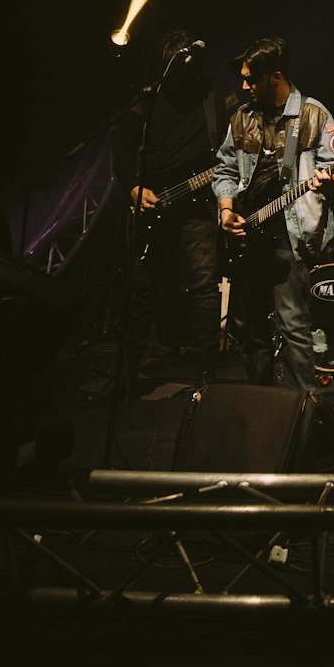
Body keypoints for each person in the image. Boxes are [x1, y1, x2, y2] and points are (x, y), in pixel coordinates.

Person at [213, 36, 334, 390]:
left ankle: (304, 408)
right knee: (247, 327)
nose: (244, 86)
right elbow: (225, 170)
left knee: (293, 326)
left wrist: (329, 184)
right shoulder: (242, 118)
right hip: (247, 233)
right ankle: (261, 403)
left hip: (290, 236)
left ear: (274, 77)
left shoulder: (314, 114)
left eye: (250, 79)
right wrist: (227, 210)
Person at [113, 29, 235, 394]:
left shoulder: (216, 93)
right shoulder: (147, 99)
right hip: (153, 202)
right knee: (139, 288)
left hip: (199, 201)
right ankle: (127, 374)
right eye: (181, 69)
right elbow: (122, 149)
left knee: (202, 288)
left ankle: (205, 375)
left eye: (193, 69)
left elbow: (242, 138)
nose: (189, 77)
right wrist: (135, 187)